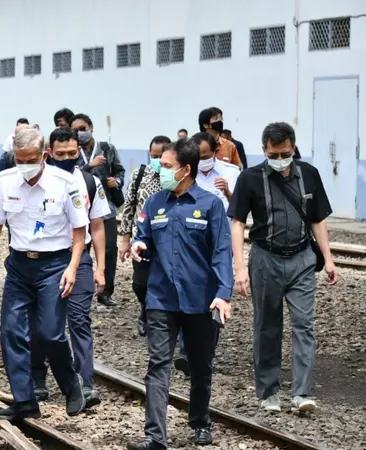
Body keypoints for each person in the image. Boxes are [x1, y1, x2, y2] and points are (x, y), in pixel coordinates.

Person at [127, 139, 233, 450]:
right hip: (161, 299)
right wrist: (138, 247)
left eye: (167, 166)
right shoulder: (155, 203)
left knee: (200, 366)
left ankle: (200, 421)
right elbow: (143, 237)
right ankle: (155, 436)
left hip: (201, 300)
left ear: (186, 170)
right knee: (157, 364)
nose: (160, 171)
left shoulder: (210, 205)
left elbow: (222, 254)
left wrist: (223, 294)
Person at [228, 122, 339, 413]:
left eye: (285, 153)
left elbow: (318, 219)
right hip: (266, 258)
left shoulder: (309, 175)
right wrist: (239, 268)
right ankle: (269, 392)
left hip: (302, 258)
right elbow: (237, 223)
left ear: (293, 148)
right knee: (267, 326)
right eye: (274, 155)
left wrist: (327, 258)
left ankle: (302, 393)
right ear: (264, 150)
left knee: (305, 326)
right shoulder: (249, 179)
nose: (280, 160)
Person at [0, 127, 88, 421]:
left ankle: (71, 385)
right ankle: (24, 400)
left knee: (51, 334)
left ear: (44, 156)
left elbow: (80, 233)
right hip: (18, 266)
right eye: (19, 159)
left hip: (54, 266)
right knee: (12, 333)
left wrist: (73, 267)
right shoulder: (6, 180)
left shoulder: (64, 183)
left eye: (30, 159)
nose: (24, 166)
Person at [30, 126, 109, 407]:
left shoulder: (89, 182)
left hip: (82, 259)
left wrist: (100, 268)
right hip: (48, 260)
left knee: (79, 320)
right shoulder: (38, 181)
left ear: (80, 151)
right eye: (60, 153)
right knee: (43, 323)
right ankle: (37, 378)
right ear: (49, 153)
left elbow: (98, 226)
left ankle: (84, 383)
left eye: (72, 153)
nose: (67, 157)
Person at [70, 113, 125, 307]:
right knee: (81, 248)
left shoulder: (107, 148)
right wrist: (88, 165)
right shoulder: (73, 150)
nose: (80, 133)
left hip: (106, 207)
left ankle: (105, 292)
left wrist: (116, 181)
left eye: (82, 128)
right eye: (75, 130)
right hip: (80, 208)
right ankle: (77, 288)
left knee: (109, 249)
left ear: (91, 127)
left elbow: (120, 171)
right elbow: (71, 172)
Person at [119, 136, 169, 337]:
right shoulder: (139, 174)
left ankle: (158, 318)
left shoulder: (173, 177)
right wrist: (124, 240)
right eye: (153, 155)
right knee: (140, 284)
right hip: (142, 240)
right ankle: (145, 308)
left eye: (160, 156)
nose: (156, 159)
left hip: (165, 240)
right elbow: (129, 207)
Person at [192, 132, 240, 213]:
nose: (200, 161)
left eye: (204, 157)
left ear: (216, 152)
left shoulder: (232, 173)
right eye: (196, 158)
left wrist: (227, 193)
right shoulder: (187, 174)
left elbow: (241, 208)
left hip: (224, 224)